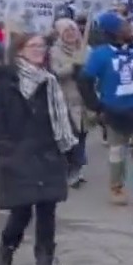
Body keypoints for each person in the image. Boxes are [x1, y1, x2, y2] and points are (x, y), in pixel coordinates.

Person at [0, 32, 78, 265]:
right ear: (19, 51)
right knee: (22, 210)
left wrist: (70, 150)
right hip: (19, 154)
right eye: (34, 45)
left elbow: (61, 118)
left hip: (48, 151)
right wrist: (8, 150)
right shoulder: (5, 83)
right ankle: (7, 246)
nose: (40, 50)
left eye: (42, 46)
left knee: (48, 209)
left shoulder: (49, 81)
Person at [79, 11, 133, 205]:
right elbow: (85, 81)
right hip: (115, 110)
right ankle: (116, 187)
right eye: (123, 26)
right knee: (117, 151)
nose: (129, 28)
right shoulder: (101, 53)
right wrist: (96, 106)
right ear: (113, 31)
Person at [50, 17, 91, 189]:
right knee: (70, 136)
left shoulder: (86, 49)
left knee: (82, 135)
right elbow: (55, 73)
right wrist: (73, 67)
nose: (71, 34)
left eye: (73, 30)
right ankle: (69, 169)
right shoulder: (54, 52)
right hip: (65, 100)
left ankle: (77, 169)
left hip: (84, 100)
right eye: (66, 31)